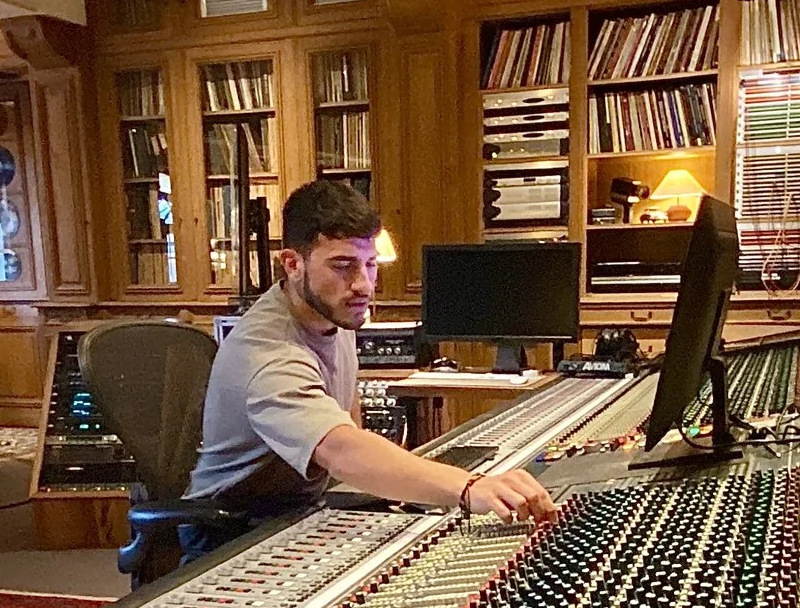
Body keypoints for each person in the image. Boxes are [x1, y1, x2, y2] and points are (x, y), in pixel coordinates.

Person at [183, 179, 558, 557]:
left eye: (370, 264)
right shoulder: (267, 352)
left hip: (299, 511)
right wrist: (467, 487)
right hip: (229, 532)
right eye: (343, 266)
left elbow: (347, 418)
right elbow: (341, 450)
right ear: (293, 264)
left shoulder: (332, 311)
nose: (363, 285)